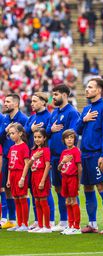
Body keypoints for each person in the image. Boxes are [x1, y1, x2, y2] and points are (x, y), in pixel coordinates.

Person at [76, 78, 103, 234]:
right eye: (86, 87)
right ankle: (92, 223)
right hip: (84, 154)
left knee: (102, 188)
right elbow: (76, 130)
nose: (87, 90)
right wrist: (84, 120)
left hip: (97, 154)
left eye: (90, 87)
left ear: (99, 90)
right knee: (87, 188)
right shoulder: (86, 109)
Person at [46, 85, 80, 232]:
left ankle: (74, 223)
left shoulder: (72, 112)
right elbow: (47, 130)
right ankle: (64, 220)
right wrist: (51, 129)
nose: (53, 97)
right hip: (55, 157)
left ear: (65, 95)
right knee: (59, 189)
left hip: (67, 157)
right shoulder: (54, 112)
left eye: (56, 94)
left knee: (71, 192)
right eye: (53, 94)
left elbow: (73, 132)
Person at [24, 92, 55, 230]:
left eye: (35, 101)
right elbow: (23, 132)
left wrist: (47, 130)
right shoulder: (31, 118)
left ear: (43, 102)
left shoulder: (49, 116)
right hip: (33, 157)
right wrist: (30, 129)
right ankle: (38, 220)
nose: (32, 103)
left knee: (46, 191)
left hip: (44, 158)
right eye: (32, 101)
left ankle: (51, 221)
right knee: (34, 191)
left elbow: (49, 133)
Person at [0, 94, 28, 229]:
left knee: (22, 191)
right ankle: (12, 219)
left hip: (20, 160)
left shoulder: (23, 119)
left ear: (16, 104)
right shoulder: (5, 119)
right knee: (8, 188)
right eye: (5, 101)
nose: (5, 103)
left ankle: (25, 222)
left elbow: (28, 138)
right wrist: (4, 131)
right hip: (7, 157)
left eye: (8, 101)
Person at [6, 123, 30, 232]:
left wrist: (23, 178)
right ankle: (19, 223)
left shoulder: (24, 147)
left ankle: (25, 223)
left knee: (22, 198)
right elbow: (10, 165)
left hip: (20, 174)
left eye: (13, 133)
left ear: (20, 133)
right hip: (13, 175)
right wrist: (8, 179)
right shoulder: (11, 148)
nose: (11, 136)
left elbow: (26, 164)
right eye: (10, 133)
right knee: (16, 198)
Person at [58, 129, 82, 235]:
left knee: (73, 200)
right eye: (67, 138)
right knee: (67, 201)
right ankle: (70, 224)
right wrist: (63, 162)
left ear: (74, 139)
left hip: (72, 178)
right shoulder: (64, 152)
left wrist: (78, 182)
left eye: (71, 137)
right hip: (64, 178)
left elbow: (79, 167)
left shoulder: (76, 151)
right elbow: (59, 168)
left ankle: (76, 226)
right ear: (64, 140)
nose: (69, 140)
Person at [27, 128, 51, 233]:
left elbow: (47, 166)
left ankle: (47, 226)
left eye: (39, 137)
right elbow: (29, 165)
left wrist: (42, 180)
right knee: (37, 201)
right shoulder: (34, 150)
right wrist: (33, 160)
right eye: (35, 137)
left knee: (43, 201)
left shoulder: (46, 150)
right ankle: (40, 225)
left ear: (44, 138)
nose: (37, 139)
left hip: (41, 177)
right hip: (34, 177)